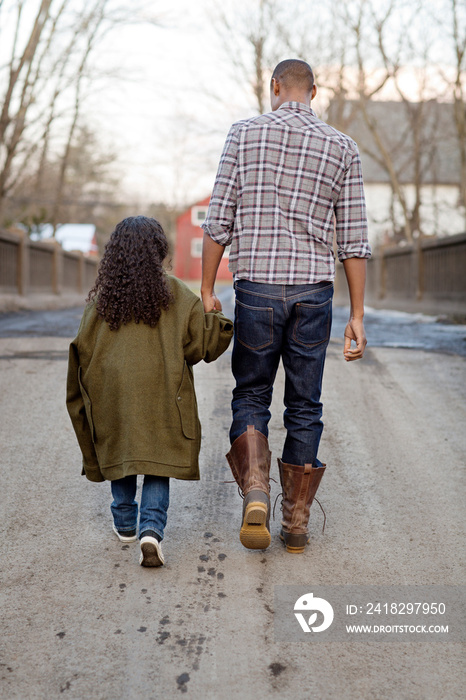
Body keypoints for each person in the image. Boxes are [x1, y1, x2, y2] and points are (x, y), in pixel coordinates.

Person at [201, 59, 371, 553]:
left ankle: (256, 491)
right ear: (313, 92)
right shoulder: (343, 147)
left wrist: (208, 288)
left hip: (255, 287)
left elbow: (218, 220)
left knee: (251, 394)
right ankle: (295, 522)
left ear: (274, 87)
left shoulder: (243, 135)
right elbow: (354, 242)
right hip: (313, 293)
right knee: (305, 403)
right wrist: (357, 316)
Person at [66, 216, 233, 567]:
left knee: (123, 448)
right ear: (159, 251)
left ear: (114, 255)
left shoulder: (101, 302)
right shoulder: (175, 294)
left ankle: (125, 521)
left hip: (112, 395)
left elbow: (81, 349)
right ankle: (151, 531)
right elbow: (199, 346)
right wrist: (218, 320)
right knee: (157, 459)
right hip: (160, 394)